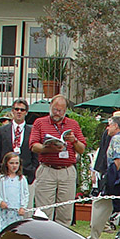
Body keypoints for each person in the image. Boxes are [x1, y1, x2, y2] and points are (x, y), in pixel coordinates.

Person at [29, 93, 87, 226]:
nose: (57, 113)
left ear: (65, 111)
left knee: (65, 210)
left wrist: (74, 141)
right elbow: (33, 145)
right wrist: (48, 148)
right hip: (47, 169)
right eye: (55, 109)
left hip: (67, 171)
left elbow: (82, 149)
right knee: (44, 210)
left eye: (60, 110)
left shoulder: (73, 124)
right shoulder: (40, 123)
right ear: (50, 107)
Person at [0, 97, 36, 207]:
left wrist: (32, 171)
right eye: (16, 109)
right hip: (5, 176)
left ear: (26, 112)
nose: (19, 112)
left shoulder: (32, 131)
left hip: (25, 175)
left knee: (25, 210)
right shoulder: (1, 131)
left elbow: (36, 154)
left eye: (22, 110)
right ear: (12, 111)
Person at [0, 150, 30, 232]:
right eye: (11, 163)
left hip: (16, 211)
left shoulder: (21, 179)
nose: (14, 166)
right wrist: (1, 201)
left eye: (16, 163)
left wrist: (23, 207)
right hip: (4, 210)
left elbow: (25, 194)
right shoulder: (1, 178)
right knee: (3, 229)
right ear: (6, 163)